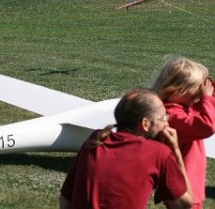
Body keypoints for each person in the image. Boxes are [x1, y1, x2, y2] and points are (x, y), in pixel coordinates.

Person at [59, 88, 193, 209]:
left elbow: (66, 200)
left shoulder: (96, 138)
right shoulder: (158, 153)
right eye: (163, 118)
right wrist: (175, 150)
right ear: (145, 124)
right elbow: (183, 204)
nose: (167, 123)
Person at [152, 56, 215, 209]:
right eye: (197, 87)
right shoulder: (172, 115)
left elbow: (202, 110)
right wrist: (206, 97)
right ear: (179, 89)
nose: (200, 92)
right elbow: (207, 126)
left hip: (186, 184)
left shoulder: (180, 107)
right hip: (183, 185)